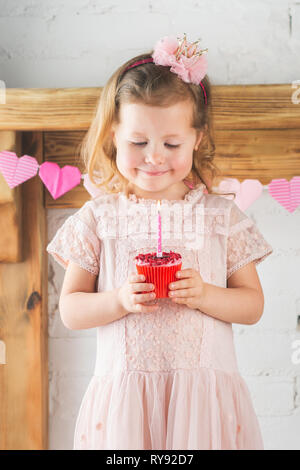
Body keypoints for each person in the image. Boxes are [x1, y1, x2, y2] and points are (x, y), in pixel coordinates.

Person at [46, 34, 273, 450]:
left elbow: (252, 305)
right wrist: (118, 300)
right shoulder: (99, 219)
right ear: (114, 136)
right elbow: (72, 311)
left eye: (171, 144)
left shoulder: (222, 217)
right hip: (126, 404)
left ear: (197, 140)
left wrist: (204, 294)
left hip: (204, 403)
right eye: (137, 142)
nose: (154, 156)